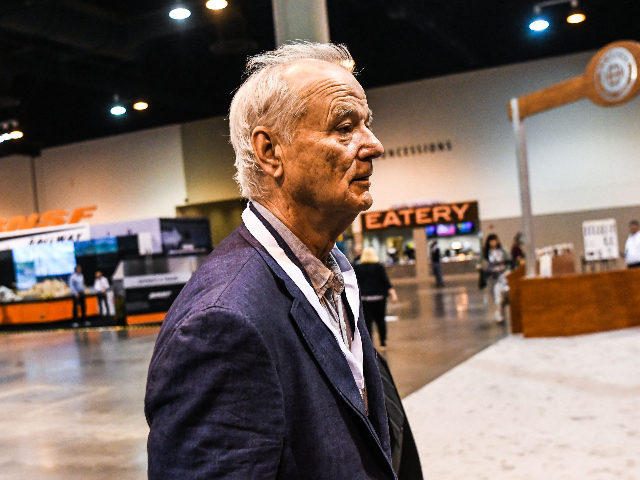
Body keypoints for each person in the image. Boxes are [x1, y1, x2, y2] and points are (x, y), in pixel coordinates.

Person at [145, 42, 414, 479]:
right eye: (345, 127)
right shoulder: (221, 323)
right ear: (270, 152)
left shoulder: (334, 276)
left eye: (367, 124)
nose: (374, 145)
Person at [353, 247, 398, 348]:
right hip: (379, 299)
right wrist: (393, 293)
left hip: (365, 299)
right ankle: (383, 343)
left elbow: (355, 283)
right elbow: (385, 281)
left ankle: (370, 345)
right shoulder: (379, 266)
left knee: (367, 323)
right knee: (380, 320)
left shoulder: (357, 267)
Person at [481, 233, 509, 322]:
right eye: (491, 241)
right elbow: (482, 264)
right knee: (496, 295)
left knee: (501, 294)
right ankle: (499, 312)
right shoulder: (486, 253)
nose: (493, 242)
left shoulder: (502, 250)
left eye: (495, 240)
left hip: (503, 275)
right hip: (492, 277)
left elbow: (508, 260)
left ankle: (500, 312)